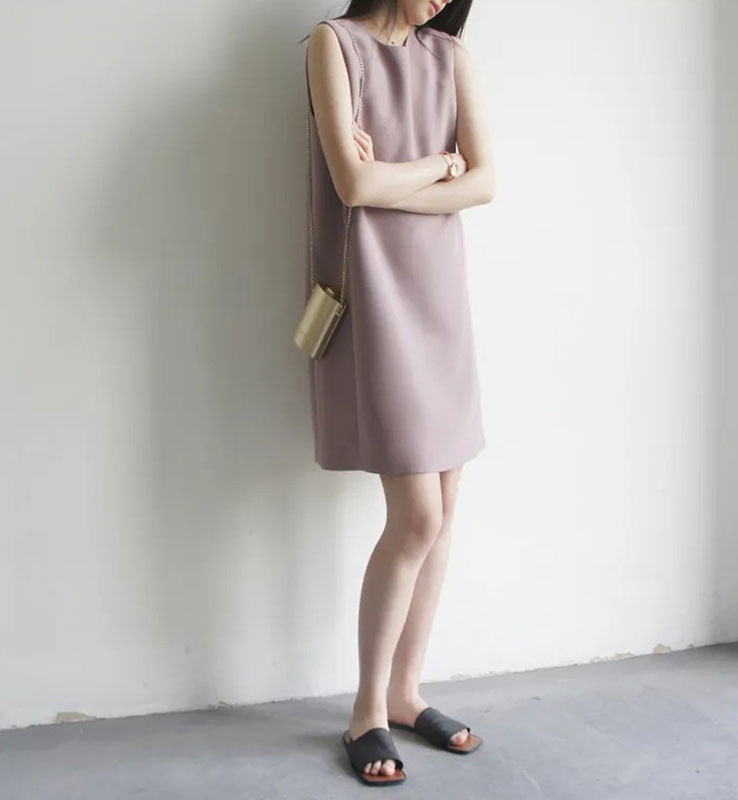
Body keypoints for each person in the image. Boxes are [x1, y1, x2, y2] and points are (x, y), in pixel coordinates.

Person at [303, 0, 494, 786]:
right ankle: (366, 711)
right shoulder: (332, 44)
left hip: (440, 294)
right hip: (377, 296)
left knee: (444, 508)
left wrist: (398, 176)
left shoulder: (450, 57)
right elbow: (352, 184)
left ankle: (407, 694)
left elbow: (485, 182)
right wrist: (438, 167)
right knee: (417, 514)